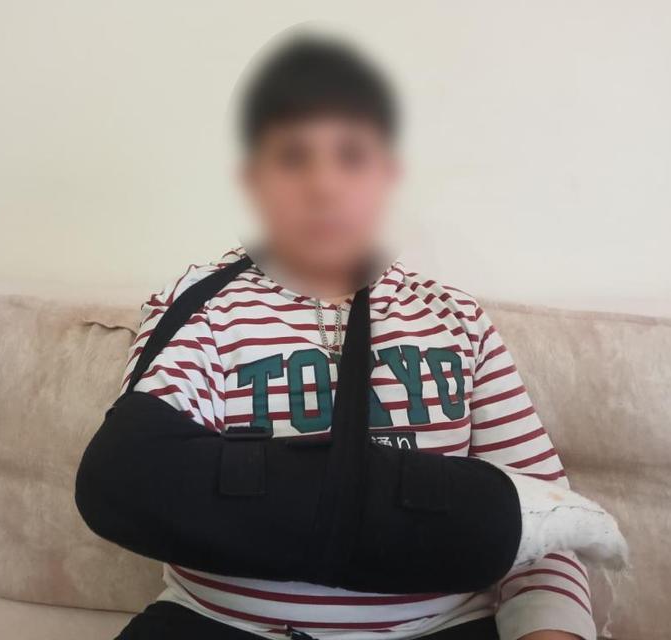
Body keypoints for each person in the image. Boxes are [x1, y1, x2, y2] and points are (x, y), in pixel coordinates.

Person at [113, 33, 601, 640]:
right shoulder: (197, 308)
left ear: (386, 177)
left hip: (437, 628)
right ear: (254, 181)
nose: (323, 184)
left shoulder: (458, 319)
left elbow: (547, 526)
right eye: (293, 157)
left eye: (351, 155)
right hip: (221, 625)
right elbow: (143, 477)